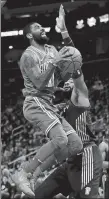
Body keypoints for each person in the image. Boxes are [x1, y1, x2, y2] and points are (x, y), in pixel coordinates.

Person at [10, 5, 83, 198]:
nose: (42, 29)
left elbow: (71, 61)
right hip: (35, 102)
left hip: (49, 104)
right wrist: (54, 62)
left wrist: (65, 81)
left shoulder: (51, 49)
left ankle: (34, 174)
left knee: (75, 144)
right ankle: (23, 172)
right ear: (29, 35)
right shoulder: (28, 56)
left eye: (42, 27)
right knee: (60, 139)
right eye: (37, 28)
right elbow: (40, 83)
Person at [33, 6, 103, 199]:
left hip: (87, 156)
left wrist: (64, 32)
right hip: (70, 163)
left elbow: (74, 62)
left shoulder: (80, 97)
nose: (69, 79)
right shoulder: (57, 106)